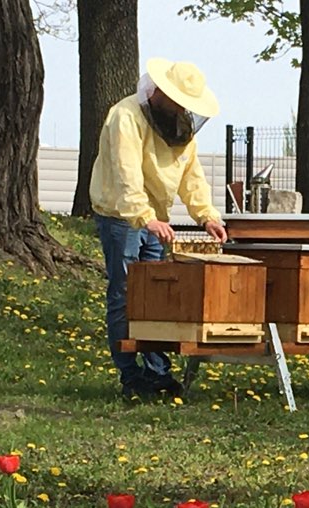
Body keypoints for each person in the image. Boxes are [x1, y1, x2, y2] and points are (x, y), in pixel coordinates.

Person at [90, 58, 228, 399]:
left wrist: (207, 216)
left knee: (155, 298)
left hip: (154, 220)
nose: (182, 109)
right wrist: (144, 216)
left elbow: (192, 175)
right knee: (125, 294)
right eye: (178, 102)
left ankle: (157, 373)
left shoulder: (179, 127)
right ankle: (130, 376)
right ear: (161, 94)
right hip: (121, 215)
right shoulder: (125, 117)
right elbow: (126, 173)